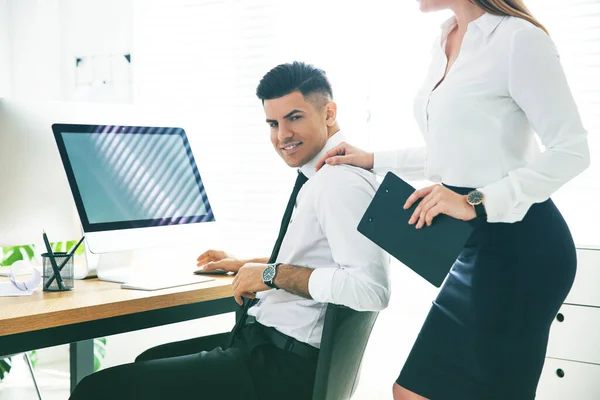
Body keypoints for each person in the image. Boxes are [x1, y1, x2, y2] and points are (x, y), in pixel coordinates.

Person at [315, 1, 590, 399]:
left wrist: (476, 201)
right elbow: (454, 153)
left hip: (523, 250)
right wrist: (374, 160)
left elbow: (572, 150)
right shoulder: (446, 38)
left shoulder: (519, 40)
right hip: (472, 247)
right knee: (410, 391)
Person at [69, 61, 390, 400]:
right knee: (151, 360)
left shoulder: (338, 183)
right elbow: (325, 259)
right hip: (271, 351)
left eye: (294, 117)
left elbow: (370, 289)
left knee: (96, 390)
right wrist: (247, 265)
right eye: (273, 123)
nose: (282, 135)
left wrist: (269, 274)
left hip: (280, 370)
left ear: (329, 113)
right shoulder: (325, 174)